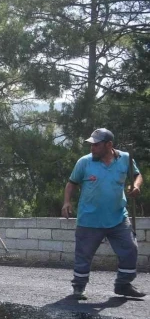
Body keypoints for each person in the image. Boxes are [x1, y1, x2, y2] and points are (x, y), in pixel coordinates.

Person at [61, 128, 145, 299]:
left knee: (130, 248)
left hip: (118, 217)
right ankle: (79, 287)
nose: (92, 148)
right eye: (91, 145)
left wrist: (136, 186)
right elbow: (71, 183)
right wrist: (67, 202)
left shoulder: (125, 159)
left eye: (96, 145)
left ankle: (123, 284)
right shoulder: (84, 162)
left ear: (109, 145)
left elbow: (137, 175)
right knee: (83, 255)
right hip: (89, 220)